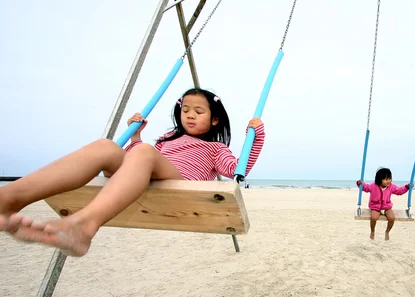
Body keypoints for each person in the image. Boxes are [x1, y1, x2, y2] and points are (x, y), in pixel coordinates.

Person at [0, 88, 265, 256]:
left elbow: (235, 170)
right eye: (185, 110)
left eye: (198, 111)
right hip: (148, 176)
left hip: (181, 185)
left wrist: (256, 137)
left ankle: (83, 226)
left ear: (215, 119)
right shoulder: (165, 141)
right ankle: (9, 198)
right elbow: (136, 161)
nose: (190, 115)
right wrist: (136, 136)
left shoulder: (215, 148)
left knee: (144, 152)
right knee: (105, 147)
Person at [356, 167, 412, 241]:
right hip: (376, 207)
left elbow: (399, 191)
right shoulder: (373, 186)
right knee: (373, 218)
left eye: (390, 178)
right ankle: (372, 231)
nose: (389, 181)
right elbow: (365, 187)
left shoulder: (391, 187)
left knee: (392, 218)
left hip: (386, 207)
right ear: (380, 179)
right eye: (386, 179)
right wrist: (360, 184)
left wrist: (406, 187)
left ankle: (387, 232)